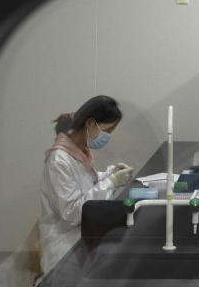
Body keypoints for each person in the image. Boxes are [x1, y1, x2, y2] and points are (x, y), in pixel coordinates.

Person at [39, 95, 134, 277]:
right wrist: (111, 182)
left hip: (83, 238)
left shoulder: (79, 151)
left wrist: (111, 174)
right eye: (109, 130)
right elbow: (73, 212)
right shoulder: (59, 161)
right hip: (64, 248)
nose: (109, 136)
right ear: (91, 123)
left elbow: (86, 183)